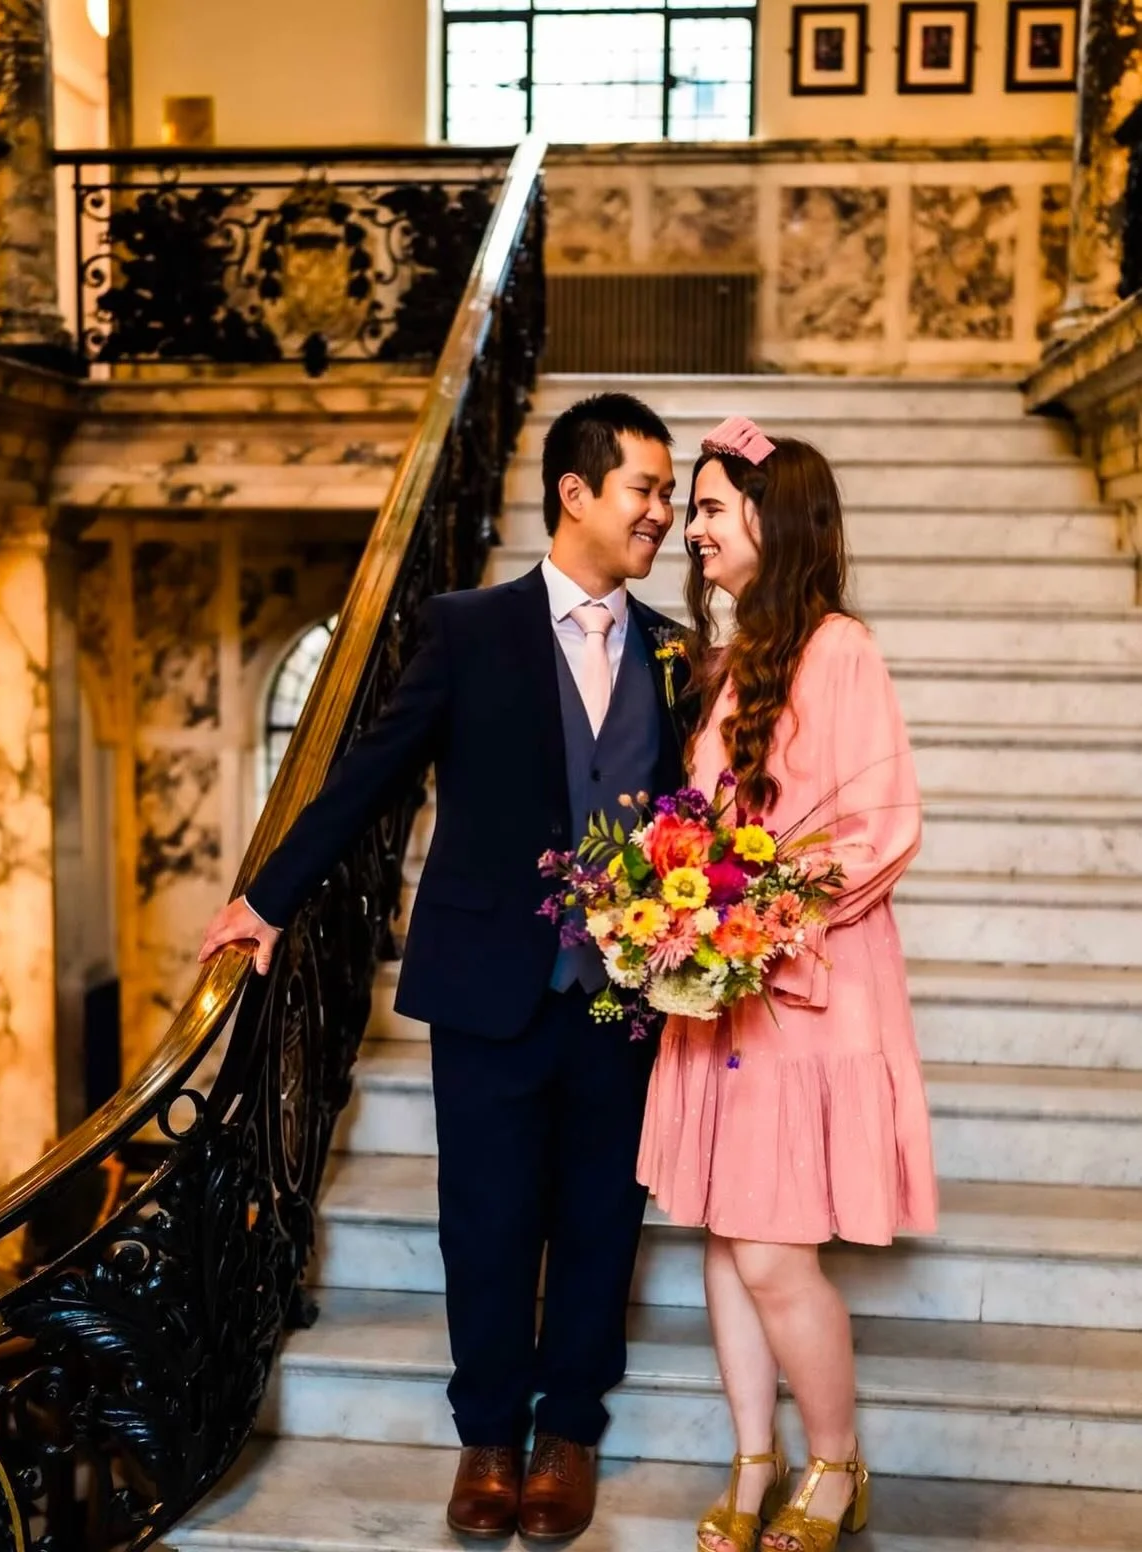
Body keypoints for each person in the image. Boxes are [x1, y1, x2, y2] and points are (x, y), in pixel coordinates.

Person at [198, 394, 688, 1542]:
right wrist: (268, 897)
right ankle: (489, 1436)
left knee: (600, 1216)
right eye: (646, 489)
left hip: (621, 994)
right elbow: (371, 772)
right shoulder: (469, 629)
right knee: (486, 1218)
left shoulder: (675, 651)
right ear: (576, 493)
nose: (662, 513)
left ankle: (569, 1431)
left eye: (671, 494)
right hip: (487, 982)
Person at [636, 418, 938, 1552]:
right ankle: (753, 1460)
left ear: (774, 518)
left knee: (769, 1249)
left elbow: (881, 826)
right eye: (695, 511)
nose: (693, 530)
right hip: (723, 998)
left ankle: (833, 1461)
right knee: (726, 1236)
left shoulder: (841, 650)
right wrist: (669, 900)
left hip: (804, 989)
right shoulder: (730, 663)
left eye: (712, 508)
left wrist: (758, 919)